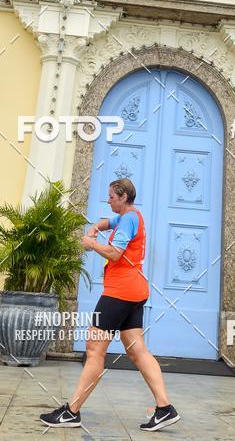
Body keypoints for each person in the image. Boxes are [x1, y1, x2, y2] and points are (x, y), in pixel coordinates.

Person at [40, 178, 180, 432]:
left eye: (112, 197)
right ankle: (164, 408)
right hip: (135, 291)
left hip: (119, 293)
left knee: (95, 351)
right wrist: (96, 226)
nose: (108, 200)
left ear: (124, 196)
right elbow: (108, 221)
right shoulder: (130, 215)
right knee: (138, 352)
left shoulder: (128, 219)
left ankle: (72, 412)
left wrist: (91, 243)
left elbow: (115, 253)